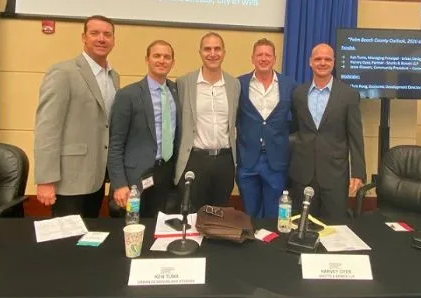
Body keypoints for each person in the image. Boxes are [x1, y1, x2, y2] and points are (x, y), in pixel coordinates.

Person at [33, 15, 120, 217]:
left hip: (97, 178)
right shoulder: (63, 72)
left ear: (113, 40)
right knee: (67, 235)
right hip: (68, 180)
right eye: (95, 33)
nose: (101, 39)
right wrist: (46, 179)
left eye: (107, 34)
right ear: (83, 37)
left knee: (90, 232)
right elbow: (47, 128)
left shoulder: (113, 77)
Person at [289, 43, 366, 219]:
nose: (322, 63)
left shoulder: (349, 95)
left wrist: (358, 173)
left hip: (335, 175)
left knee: (336, 227)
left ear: (334, 62)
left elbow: (355, 137)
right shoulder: (298, 94)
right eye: (318, 59)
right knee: (303, 225)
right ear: (310, 62)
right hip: (303, 174)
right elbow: (295, 129)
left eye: (327, 59)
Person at [107, 40, 179, 217]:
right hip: (134, 178)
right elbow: (115, 143)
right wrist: (119, 183)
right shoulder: (128, 95)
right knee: (131, 225)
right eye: (157, 56)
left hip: (164, 174)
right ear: (147, 59)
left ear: (173, 62)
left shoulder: (176, 91)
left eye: (167, 57)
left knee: (157, 225)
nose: (162, 60)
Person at [174, 32, 241, 211]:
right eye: (207, 49)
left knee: (218, 215)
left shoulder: (234, 84)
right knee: (192, 215)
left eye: (217, 49)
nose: (212, 53)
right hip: (195, 159)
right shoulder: (184, 83)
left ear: (224, 53)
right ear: (200, 53)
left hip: (224, 161)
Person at [236, 38, 297, 218]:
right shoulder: (239, 84)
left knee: (274, 215)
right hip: (247, 161)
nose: (264, 58)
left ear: (274, 59)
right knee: (250, 215)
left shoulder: (289, 85)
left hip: (276, 162)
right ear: (252, 58)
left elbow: (297, 119)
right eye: (259, 55)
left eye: (268, 55)